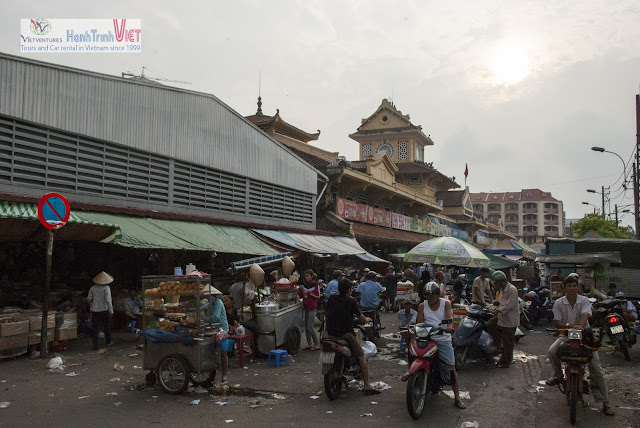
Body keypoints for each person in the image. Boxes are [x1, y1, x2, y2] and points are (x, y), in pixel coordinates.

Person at [545, 276, 614, 416]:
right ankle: (559, 377)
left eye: (574, 285)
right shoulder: (558, 302)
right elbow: (557, 322)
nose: (571, 288)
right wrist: (570, 326)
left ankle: (605, 402)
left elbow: (585, 315)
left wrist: (580, 326)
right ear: (564, 288)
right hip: (566, 334)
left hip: (585, 336)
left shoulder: (584, 300)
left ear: (578, 288)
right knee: (552, 351)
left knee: (596, 369)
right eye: (568, 285)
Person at [412, 282, 466, 409]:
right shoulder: (422, 306)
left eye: (431, 296)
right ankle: (411, 374)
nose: (429, 299)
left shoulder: (445, 303)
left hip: (442, 338)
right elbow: (419, 322)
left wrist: (448, 327)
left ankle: (457, 397)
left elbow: (449, 316)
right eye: (427, 296)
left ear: (437, 294)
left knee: (451, 367)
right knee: (414, 354)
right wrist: (416, 330)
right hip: (427, 338)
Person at [326, 278, 379, 395]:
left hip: (330, 334)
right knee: (361, 356)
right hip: (345, 335)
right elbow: (361, 318)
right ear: (349, 290)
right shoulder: (351, 301)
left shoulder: (331, 298)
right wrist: (367, 319)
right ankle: (367, 385)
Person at [490, 271, 519, 368]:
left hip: (510, 319)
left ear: (501, 281)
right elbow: (501, 302)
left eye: (496, 283)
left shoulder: (512, 290)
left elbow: (509, 305)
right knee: (490, 325)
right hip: (502, 318)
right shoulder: (502, 290)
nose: (495, 285)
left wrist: (498, 311)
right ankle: (499, 346)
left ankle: (506, 361)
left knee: (508, 342)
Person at [203, 285, 229, 384]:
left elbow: (215, 317)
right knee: (209, 352)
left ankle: (224, 376)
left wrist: (202, 319)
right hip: (212, 329)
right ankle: (211, 374)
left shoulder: (218, 303)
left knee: (223, 353)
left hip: (223, 330)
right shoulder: (209, 304)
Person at [87, 271, 114, 350]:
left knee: (95, 328)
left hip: (95, 311)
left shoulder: (93, 288)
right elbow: (108, 300)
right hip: (104, 310)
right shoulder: (106, 288)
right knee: (106, 327)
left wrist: (93, 305)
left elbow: (89, 299)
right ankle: (108, 342)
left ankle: (95, 345)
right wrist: (111, 310)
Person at [299, 269, 321, 350]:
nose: (306, 277)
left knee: (310, 327)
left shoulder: (316, 285)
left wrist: (308, 292)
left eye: (308, 276)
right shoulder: (305, 285)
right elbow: (302, 295)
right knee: (306, 327)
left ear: (311, 276)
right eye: (305, 276)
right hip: (305, 307)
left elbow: (318, 295)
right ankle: (309, 344)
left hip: (312, 308)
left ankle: (316, 344)